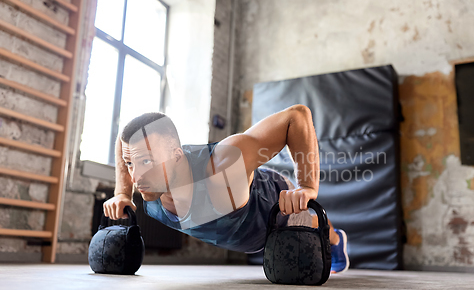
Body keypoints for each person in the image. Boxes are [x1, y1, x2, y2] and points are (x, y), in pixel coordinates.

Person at [103, 105, 349, 273]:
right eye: (130, 164)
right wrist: (122, 192)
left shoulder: (223, 166)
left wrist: (307, 186)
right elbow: (123, 142)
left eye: (147, 162)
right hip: (244, 229)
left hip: (275, 206)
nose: (136, 176)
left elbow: (297, 115)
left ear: (177, 156)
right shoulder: (150, 184)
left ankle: (337, 240)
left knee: (315, 227)